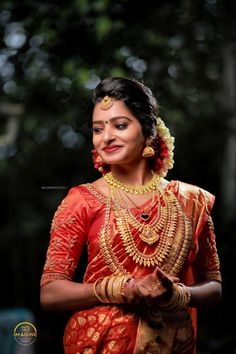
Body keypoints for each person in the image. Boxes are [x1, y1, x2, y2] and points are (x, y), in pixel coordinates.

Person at [40, 77, 222, 354]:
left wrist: (179, 294)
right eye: (98, 129)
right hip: (100, 343)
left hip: (173, 344)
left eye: (120, 125)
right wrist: (123, 288)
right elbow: (51, 292)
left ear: (149, 133)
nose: (106, 137)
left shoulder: (190, 200)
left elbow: (214, 287)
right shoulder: (82, 200)